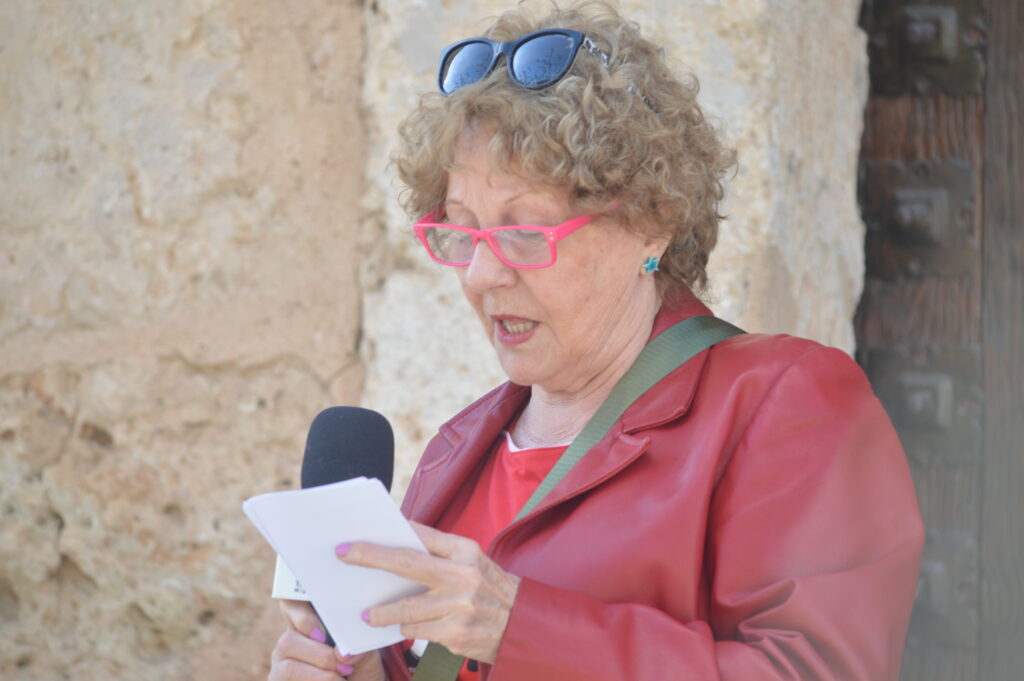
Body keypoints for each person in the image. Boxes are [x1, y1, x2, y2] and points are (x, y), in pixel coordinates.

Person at [268, 2, 924, 680]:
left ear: (652, 222)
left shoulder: (781, 402)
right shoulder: (458, 448)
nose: (481, 275)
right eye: (463, 233)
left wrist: (518, 625)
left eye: (524, 231)